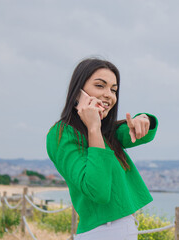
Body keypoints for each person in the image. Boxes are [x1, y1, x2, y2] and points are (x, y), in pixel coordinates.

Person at [46, 58, 158, 240]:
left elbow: (135, 133)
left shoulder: (108, 132)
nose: (109, 95)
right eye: (100, 86)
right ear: (77, 93)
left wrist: (144, 119)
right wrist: (93, 129)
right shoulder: (61, 134)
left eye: (114, 90)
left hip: (121, 229)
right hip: (102, 231)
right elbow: (97, 190)